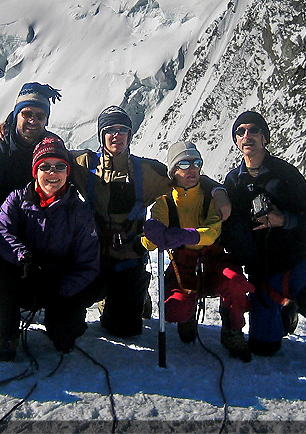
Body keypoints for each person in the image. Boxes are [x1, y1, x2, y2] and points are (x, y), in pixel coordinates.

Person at [71, 106, 232, 338]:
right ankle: (108, 296)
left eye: (123, 130)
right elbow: (49, 155)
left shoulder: (146, 171)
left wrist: (216, 190)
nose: (117, 135)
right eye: (110, 130)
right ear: (101, 135)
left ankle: (133, 295)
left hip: (129, 256)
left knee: (124, 329)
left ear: (130, 135)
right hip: (93, 256)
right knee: (70, 312)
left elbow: (186, 177)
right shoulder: (83, 164)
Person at [220, 111, 306, 369]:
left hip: (295, 260)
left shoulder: (286, 174)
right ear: (236, 141)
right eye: (240, 131)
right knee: (264, 348)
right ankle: (286, 310)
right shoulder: (234, 181)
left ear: (264, 138)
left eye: (253, 130)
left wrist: (284, 220)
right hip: (262, 270)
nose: (247, 136)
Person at [0, 135, 100, 361]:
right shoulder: (17, 200)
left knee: (65, 335)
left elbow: (88, 265)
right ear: (35, 171)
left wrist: (60, 288)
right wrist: (25, 258)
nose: (52, 173)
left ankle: (62, 323)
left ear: (67, 172)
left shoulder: (80, 212)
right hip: (24, 278)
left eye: (59, 167)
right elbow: (0, 233)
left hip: (58, 285)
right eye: (45, 166)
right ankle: (8, 332)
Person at [141, 141, 255, 352]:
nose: (192, 169)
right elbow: (150, 243)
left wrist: (185, 236)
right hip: (183, 266)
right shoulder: (164, 202)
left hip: (214, 261)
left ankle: (233, 329)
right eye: (184, 164)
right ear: (173, 170)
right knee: (175, 307)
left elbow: (213, 231)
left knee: (235, 283)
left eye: (197, 163)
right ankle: (187, 315)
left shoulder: (209, 197)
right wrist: (150, 235)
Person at [0, 82, 62, 238]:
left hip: (38, 222)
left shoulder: (53, 146)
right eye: (27, 114)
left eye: (39, 116)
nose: (33, 121)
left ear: (46, 120)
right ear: (16, 115)